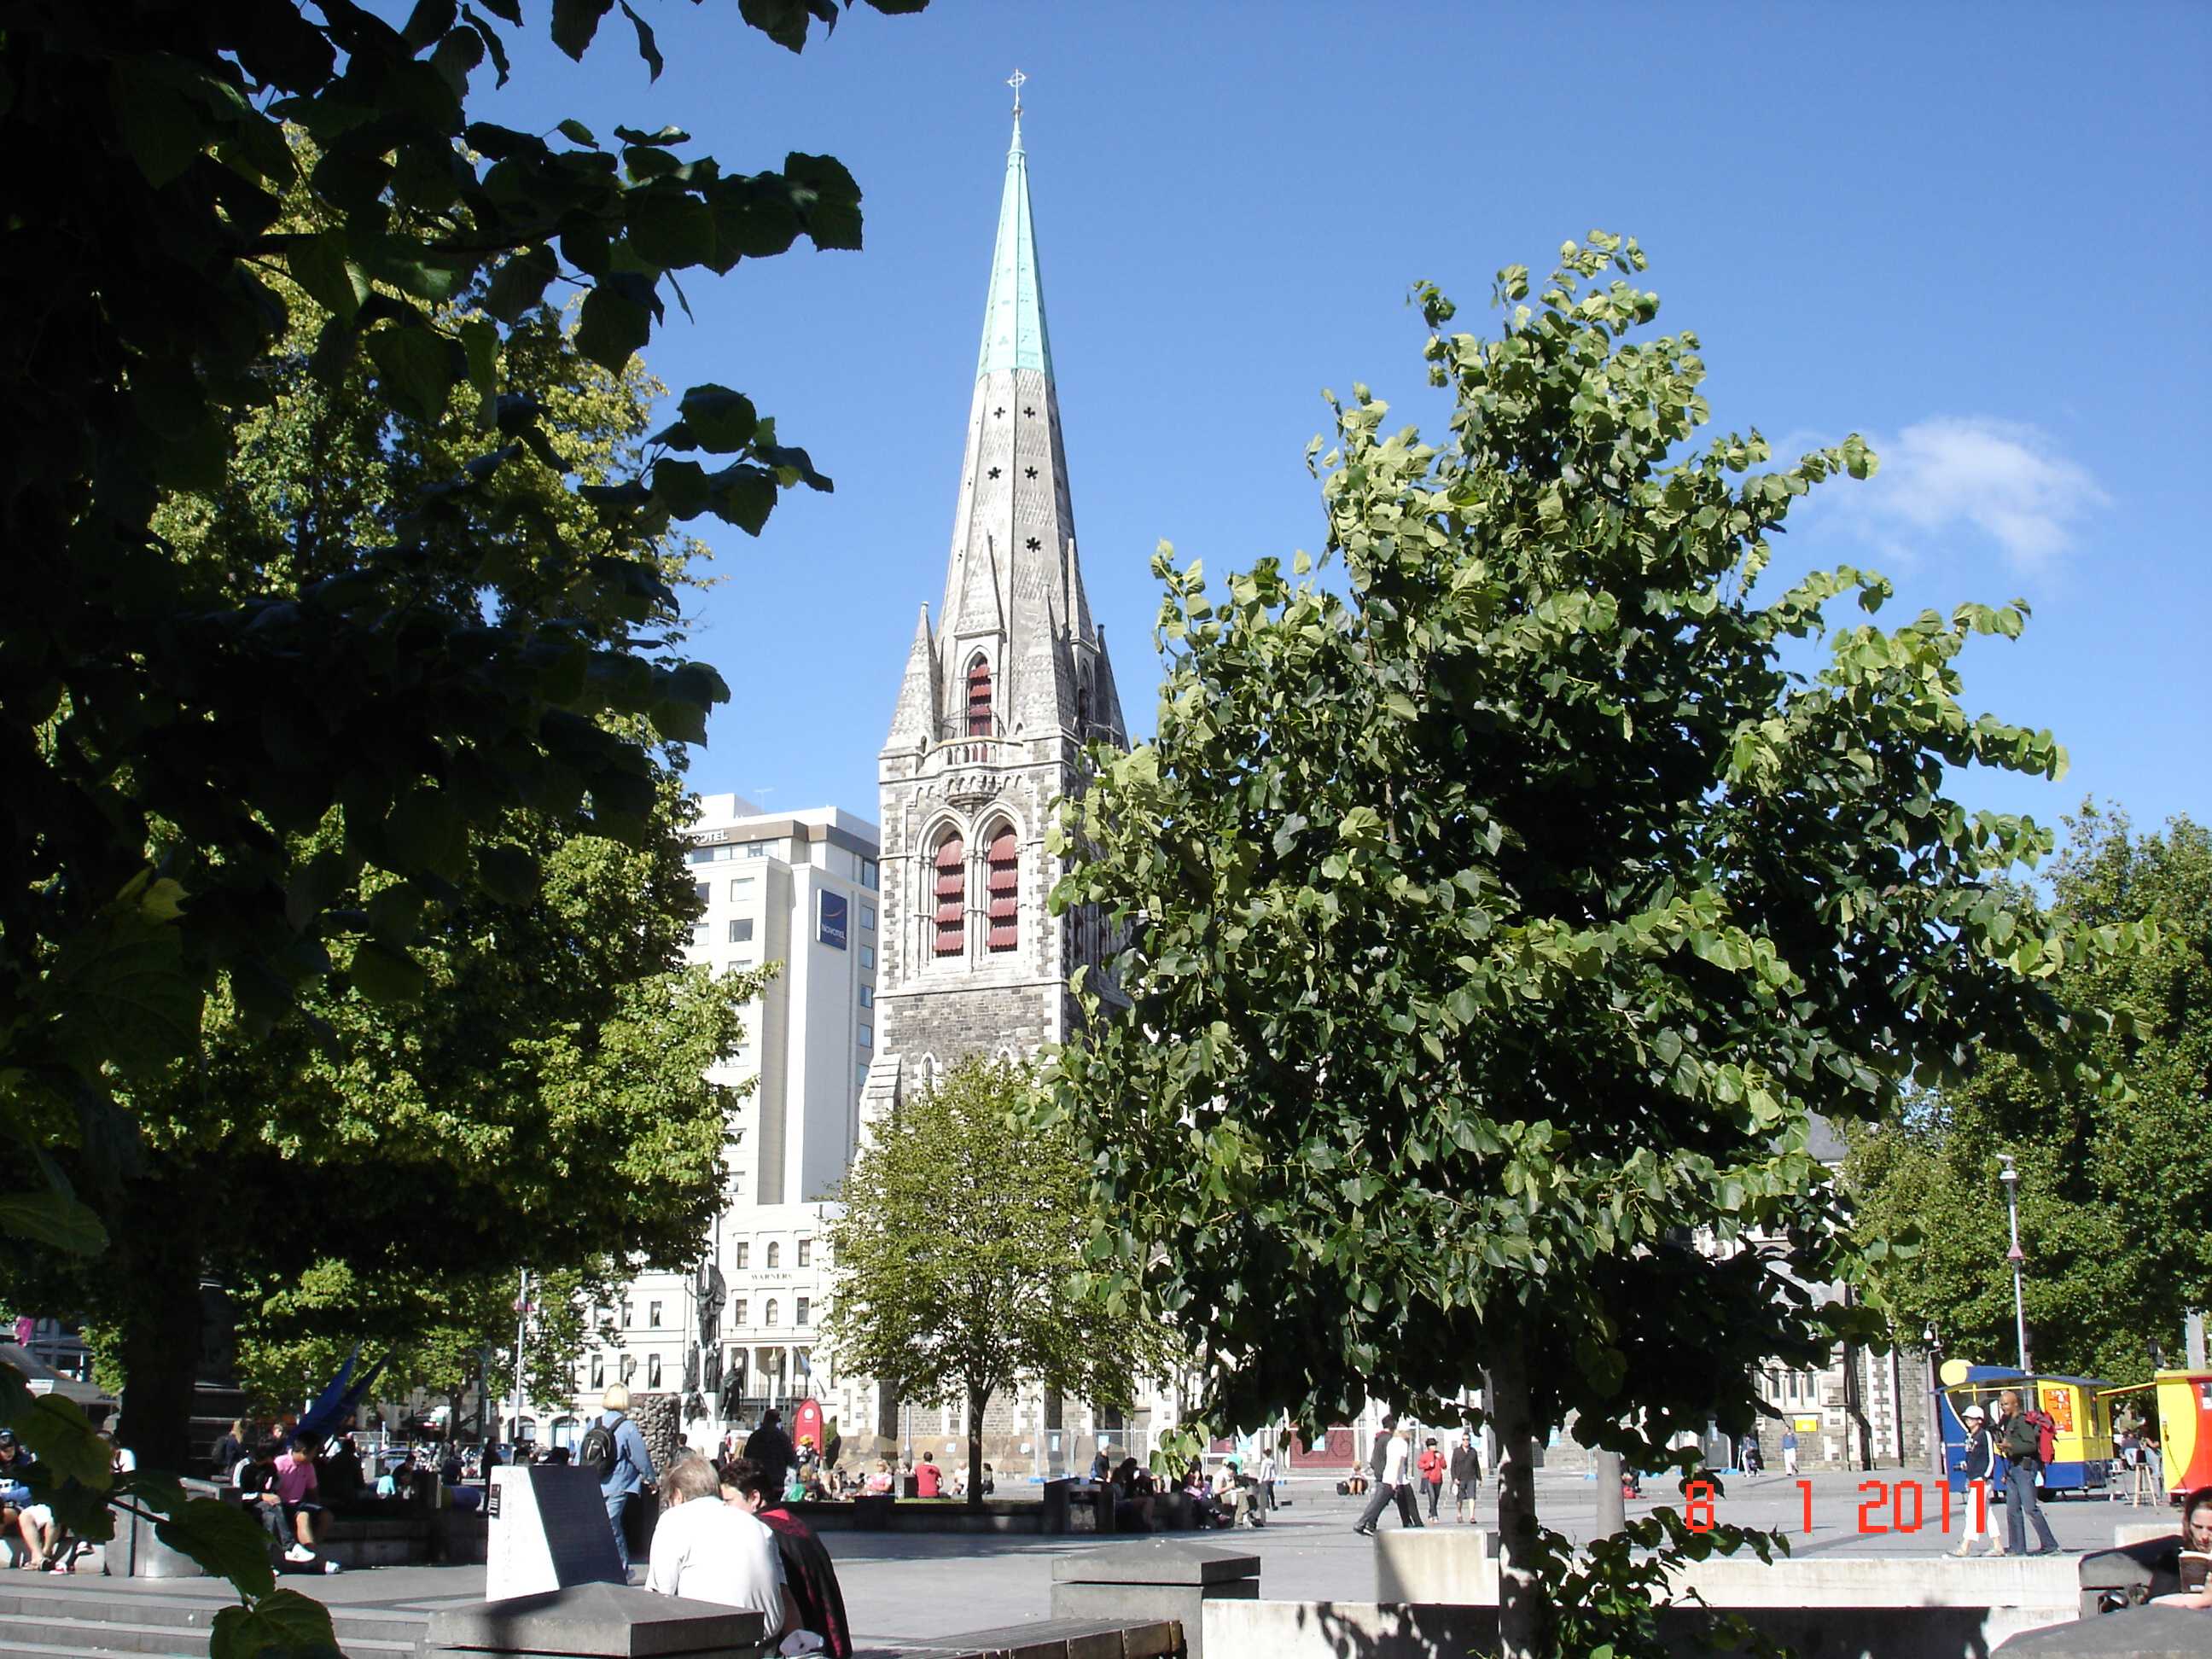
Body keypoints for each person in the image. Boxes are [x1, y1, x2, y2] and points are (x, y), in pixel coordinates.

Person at [724, 1456, 853, 1656]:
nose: (724, 1510)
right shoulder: (795, 1525)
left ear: (754, 1497)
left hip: (796, 1644)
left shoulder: (762, 1534)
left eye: (728, 1501)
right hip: (821, 1639)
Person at [645, 1453, 791, 1632]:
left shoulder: (673, 1520)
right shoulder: (759, 1526)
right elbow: (783, 1594)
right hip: (768, 1642)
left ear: (677, 1495)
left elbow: (659, 1599)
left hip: (711, 1640)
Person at [585, 1384, 656, 1578]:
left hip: (594, 1482)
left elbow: (582, 1456)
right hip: (618, 1484)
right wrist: (651, 1479)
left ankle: (599, 1566)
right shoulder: (627, 1427)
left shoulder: (593, 1424)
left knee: (600, 1526)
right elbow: (640, 1458)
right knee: (612, 1526)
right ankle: (622, 1568)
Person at [1994, 1388, 2061, 1557]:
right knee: (2012, 1509)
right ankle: (2017, 1547)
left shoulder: (2022, 1421)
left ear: (2015, 1404)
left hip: (2024, 1468)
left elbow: (2030, 1445)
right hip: (2013, 1468)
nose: (2003, 1407)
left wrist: (2010, 1446)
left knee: (2030, 1508)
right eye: (2002, 1404)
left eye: (2006, 1404)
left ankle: (2050, 1545)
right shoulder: (2009, 1421)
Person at [1951, 1404, 2006, 1557]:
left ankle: (1965, 1546)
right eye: (1967, 1418)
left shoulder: (1984, 1435)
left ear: (1979, 1420)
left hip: (1982, 1479)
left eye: (1971, 1418)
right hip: (1974, 1477)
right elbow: (1972, 1457)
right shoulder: (1970, 1437)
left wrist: (1985, 1476)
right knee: (1985, 1512)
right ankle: (1997, 1545)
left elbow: (1990, 1458)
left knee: (1973, 1511)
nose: (1968, 1420)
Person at [2151, 1484, 2212, 1609]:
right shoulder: (2173, 1560)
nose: (2204, 1536)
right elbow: (2155, 1602)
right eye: (2198, 1527)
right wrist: (2204, 1600)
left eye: (2211, 1529)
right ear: (2188, 1525)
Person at [272, 1436, 329, 1564]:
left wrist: (318, 1507)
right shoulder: (280, 1463)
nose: (315, 1456)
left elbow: (313, 1489)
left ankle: (311, 1548)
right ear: (304, 1451)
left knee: (326, 1516)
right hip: (282, 1504)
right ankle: (315, 1560)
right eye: (314, 1452)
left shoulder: (309, 1467)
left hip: (298, 1503)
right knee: (303, 1517)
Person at [1353, 1423, 1415, 1537]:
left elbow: (1377, 1458)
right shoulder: (1395, 1441)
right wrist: (1394, 1478)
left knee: (1396, 1501)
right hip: (1390, 1477)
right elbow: (1395, 1460)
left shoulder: (1385, 1440)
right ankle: (1362, 1523)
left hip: (1387, 1475)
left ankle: (1407, 1523)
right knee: (1379, 1502)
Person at [744, 1408, 797, 1506]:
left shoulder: (755, 1436)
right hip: (777, 1481)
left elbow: (747, 1458)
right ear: (777, 1421)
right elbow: (792, 1460)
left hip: (758, 1481)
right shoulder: (783, 1437)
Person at [1450, 1431, 1481, 1525]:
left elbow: (1477, 1465)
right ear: (1462, 1440)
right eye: (1464, 1439)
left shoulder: (1473, 1451)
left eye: (1467, 1439)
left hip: (1471, 1477)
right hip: (1460, 1478)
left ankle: (1472, 1516)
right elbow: (1453, 1466)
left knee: (1472, 1497)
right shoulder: (1457, 1451)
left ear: (1470, 1441)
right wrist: (1454, 1478)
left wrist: (1479, 1478)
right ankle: (1459, 1514)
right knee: (1460, 1498)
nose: (1466, 1441)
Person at [210, 1418, 248, 1484]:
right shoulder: (235, 1441)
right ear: (242, 1429)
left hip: (225, 1469)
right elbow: (243, 1454)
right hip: (232, 1471)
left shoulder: (229, 1438)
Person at [1417, 1437, 1447, 1521]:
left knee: (1436, 1498)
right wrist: (1428, 1465)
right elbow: (1419, 1465)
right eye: (1432, 1445)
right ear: (1428, 1447)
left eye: (1434, 1445)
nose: (1434, 1447)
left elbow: (1444, 1466)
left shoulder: (1440, 1454)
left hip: (1438, 1479)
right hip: (1428, 1478)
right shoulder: (1425, 1455)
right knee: (1432, 1497)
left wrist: (1440, 1459)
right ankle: (1435, 1515)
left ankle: (1431, 1511)